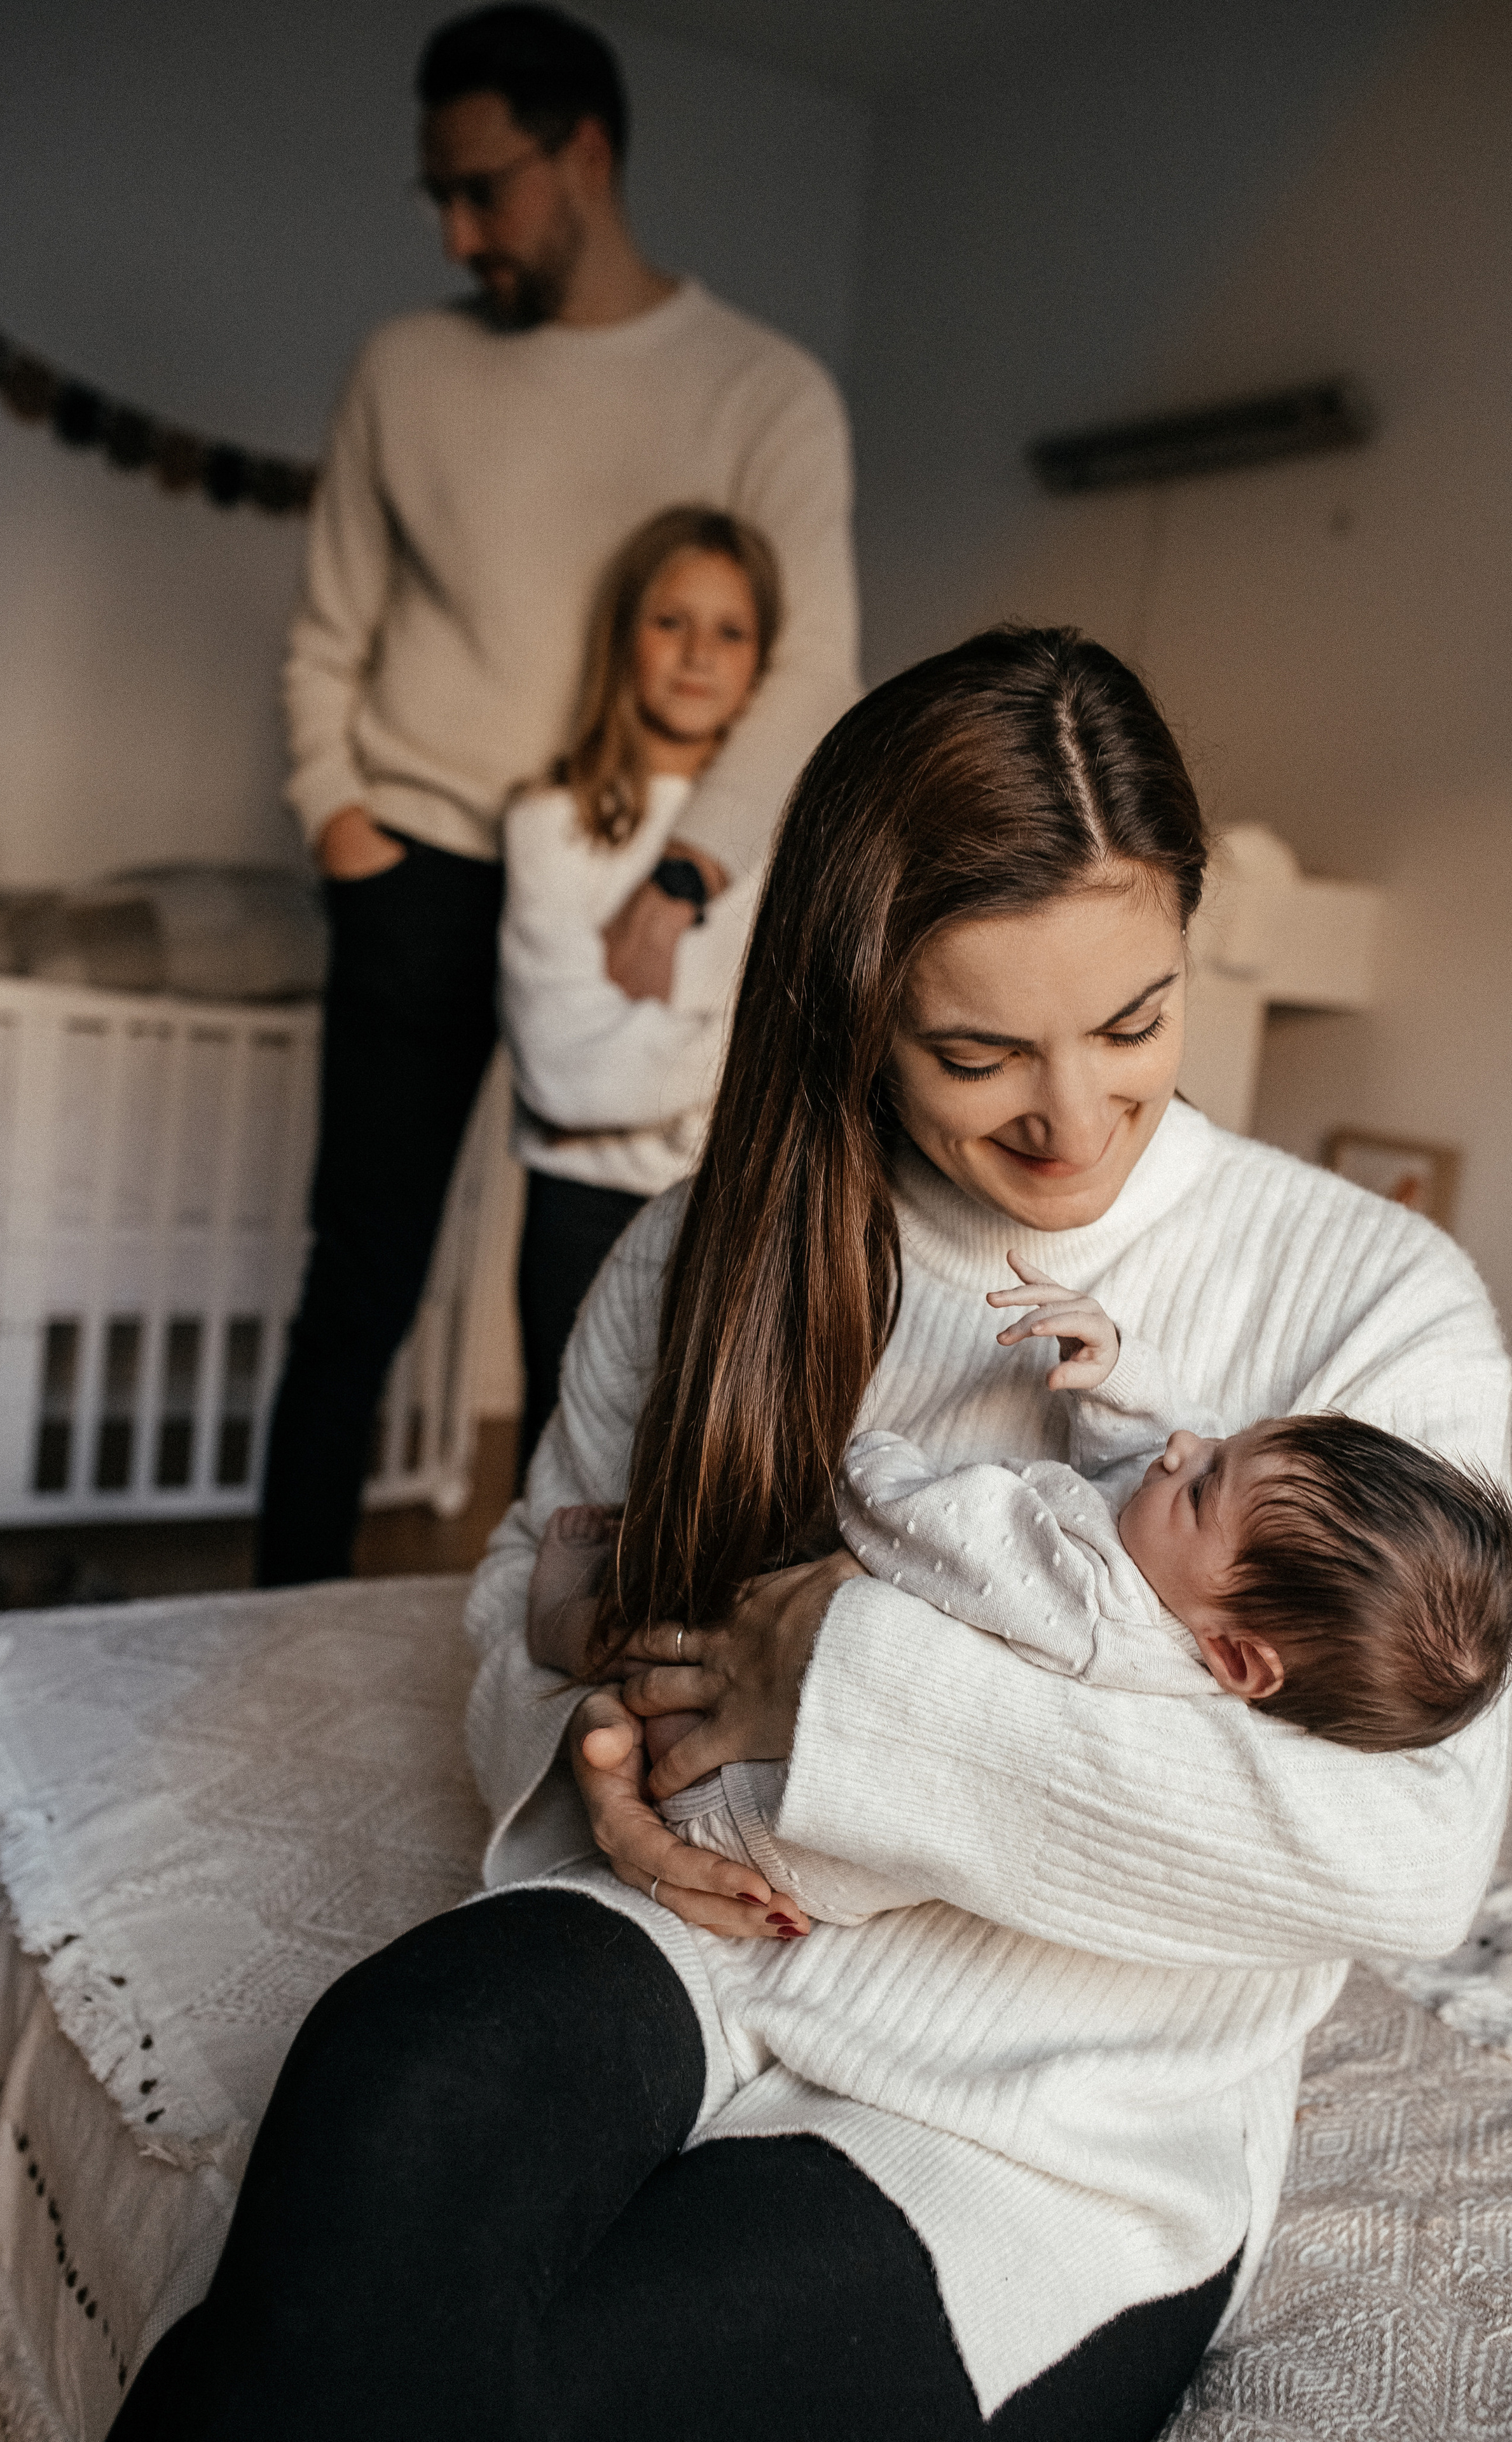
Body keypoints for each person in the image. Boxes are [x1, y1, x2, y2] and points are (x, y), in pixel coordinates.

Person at [111, 627, 1511, 2442]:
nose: (1070, 1117)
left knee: (483, 2393)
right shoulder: (708, 1243)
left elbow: (1411, 1854)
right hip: (688, 1936)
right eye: (977, 1049)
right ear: (852, 1004)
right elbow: (516, 1600)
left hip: (1043, 2111)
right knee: (398, 2092)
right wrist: (596, 1751)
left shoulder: (1372, 1297)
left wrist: (831, 1673)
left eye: (1135, 1023)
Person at [256, 3, 858, 1585]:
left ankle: (532, 1645)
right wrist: (339, 821)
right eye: (436, 198)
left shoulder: (762, 389)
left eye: (484, 189)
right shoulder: (404, 364)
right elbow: (328, 630)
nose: (459, 232)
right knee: (357, 1286)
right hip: (424, 866)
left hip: (631, 890)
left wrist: (687, 880)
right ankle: (265, 1628)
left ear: (583, 153)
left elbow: (812, 670)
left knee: (597, 1299)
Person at [528, 1262, 1512, 1920]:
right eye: (1224, 1445)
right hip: (787, 1791)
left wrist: (876, 1464)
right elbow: (1154, 1452)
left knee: (680, 1633)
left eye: (1206, 1478)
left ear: (1238, 1657)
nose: (1184, 1446)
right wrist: (1119, 1371)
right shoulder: (1199, 1588)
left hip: (757, 1813)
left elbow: (943, 1532)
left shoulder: (1086, 1604)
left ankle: (576, 1625)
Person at [502, 504, 780, 1466]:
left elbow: (795, 1040)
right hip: (578, 1215)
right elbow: (565, 1079)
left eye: (730, 631)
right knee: (565, 1476)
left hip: (726, 1203)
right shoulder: (551, 825)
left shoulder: (777, 845)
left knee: (695, 1475)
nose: (698, 654)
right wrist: (733, 1047)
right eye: (671, 621)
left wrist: (654, 1058)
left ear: (762, 668)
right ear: (624, 635)